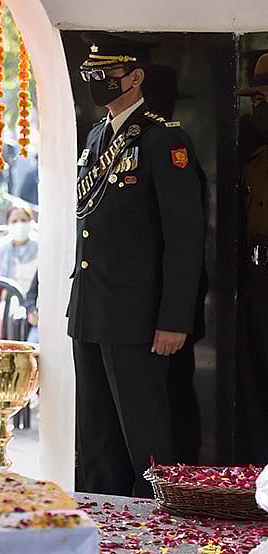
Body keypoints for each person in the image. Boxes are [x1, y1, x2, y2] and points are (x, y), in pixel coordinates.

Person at [68, 34, 205, 497]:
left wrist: (174, 319)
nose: (96, 82)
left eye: (106, 74)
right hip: (91, 310)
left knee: (145, 439)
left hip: (137, 318)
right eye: (91, 74)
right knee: (96, 437)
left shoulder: (164, 141)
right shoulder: (96, 137)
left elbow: (184, 240)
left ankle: (153, 527)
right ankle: (104, 522)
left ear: (135, 77)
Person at [236, 52, 268, 464]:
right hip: (257, 276)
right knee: (255, 380)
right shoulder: (253, 156)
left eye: (264, 97)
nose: (258, 104)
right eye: (255, 98)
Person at [0, 203, 38, 293]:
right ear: (7, 224)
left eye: (23, 220)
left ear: (30, 222)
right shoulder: (0, 249)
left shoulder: (40, 248)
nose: (19, 225)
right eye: (14, 221)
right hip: (8, 299)